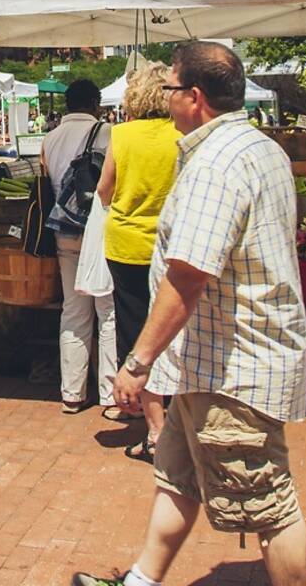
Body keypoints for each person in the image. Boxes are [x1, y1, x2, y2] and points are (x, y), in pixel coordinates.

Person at [80, 43, 306, 586]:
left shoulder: (217, 163)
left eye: (171, 88)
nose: (166, 99)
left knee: (269, 505)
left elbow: (188, 275)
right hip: (207, 359)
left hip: (233, 366)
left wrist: (137, 362)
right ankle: (140, 581)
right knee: (178, 477)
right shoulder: (259, 146)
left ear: (194, 97)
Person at [95, 62, 180, 455]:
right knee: (176, 334)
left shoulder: (122, 134)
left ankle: (154, 428)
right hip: (174, 246)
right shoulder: (182, 135)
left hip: (127, 247)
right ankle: (178, 420)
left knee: (136, 335)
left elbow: (104, 191)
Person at [39, 79, 116, 414]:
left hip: (64, 231)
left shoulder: (49, 138)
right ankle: (112, 395)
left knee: (73, 310)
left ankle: (72, 393)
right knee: (107, 311)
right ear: (95, 103)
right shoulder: (109, 133)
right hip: (99, 232)